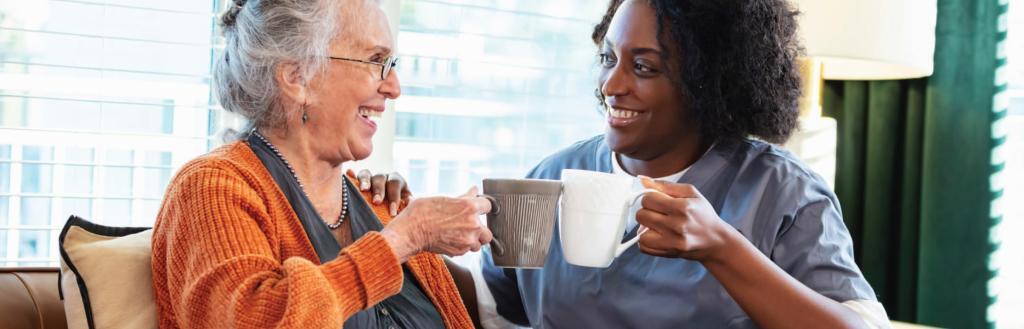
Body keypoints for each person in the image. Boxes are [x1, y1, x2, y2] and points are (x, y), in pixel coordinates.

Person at [476, 0, 891, 328]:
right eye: (607, 59)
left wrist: (722, 249)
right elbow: (490, 306)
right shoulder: (552, 176)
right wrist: (415, 233)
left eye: (643, 67)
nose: (611, 86)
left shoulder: (781, 193)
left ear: (708, 81)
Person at [149, 0, 494, 328]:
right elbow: (255, 320)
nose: (394, 87)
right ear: (298, 77)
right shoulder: (210, 188)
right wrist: (405, 238)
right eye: (376, 61)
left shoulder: (381, 204)